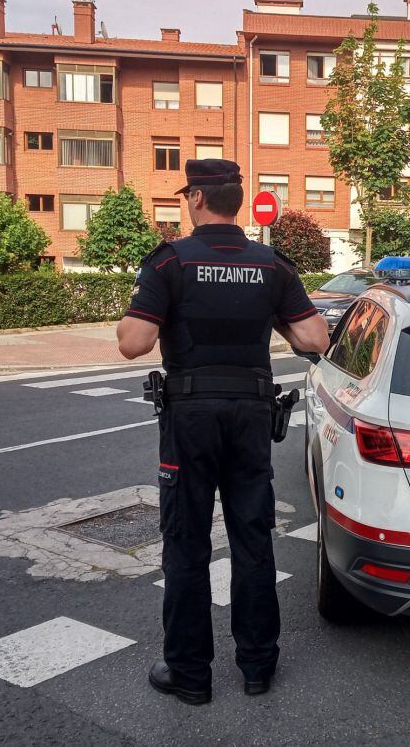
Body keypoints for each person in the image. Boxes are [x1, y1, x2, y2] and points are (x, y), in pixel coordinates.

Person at [116, 159, 330, 705]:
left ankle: (189, 674)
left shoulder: (170, 263)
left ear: (195, 200)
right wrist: (273, 318)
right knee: (252, 540)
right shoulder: (270, 264)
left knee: (186, 544)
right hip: (251, 416)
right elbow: (313, 339)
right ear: (236, 202)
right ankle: (258, 666)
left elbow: (134, 343)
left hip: (190, 418)